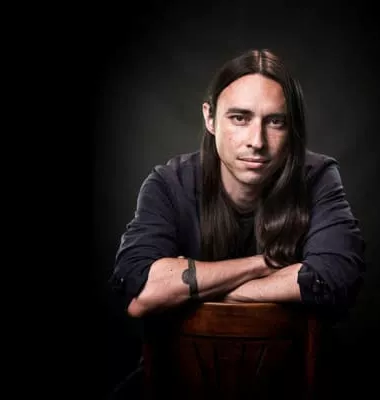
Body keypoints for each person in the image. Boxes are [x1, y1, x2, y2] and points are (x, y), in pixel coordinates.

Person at [108, 48, 365, 398]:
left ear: (292, 127)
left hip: (290, 385)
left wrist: (189, 290)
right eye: (240, 118)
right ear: (210, 118)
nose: (257, 142)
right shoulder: (169, 184)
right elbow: (139, 288)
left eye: (275, 121)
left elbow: (336, 276)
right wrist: (263, 265)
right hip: (175, 384)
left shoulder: (317, 177)